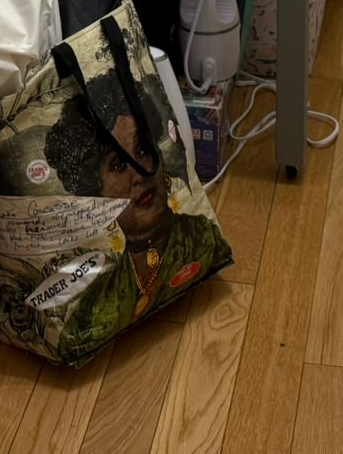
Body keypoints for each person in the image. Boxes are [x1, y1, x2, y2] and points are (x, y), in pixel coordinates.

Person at [42, 69, 227, 362]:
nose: (140, 172)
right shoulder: (96, 300)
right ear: (94, 191)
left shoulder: (202, 239)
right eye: (117, 165)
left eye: (142, 149)